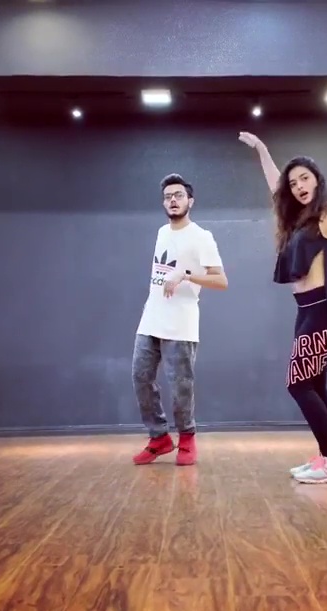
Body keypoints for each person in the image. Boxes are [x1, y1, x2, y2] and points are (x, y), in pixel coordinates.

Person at [238, 132, 327, 484]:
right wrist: (262, 149)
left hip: (323, 309)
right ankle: (326, 457)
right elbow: (276, 186)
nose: (299, 186)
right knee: (315, 384)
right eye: (294, 182)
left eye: (305, 178)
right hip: (306, 310)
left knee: (298, 384)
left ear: (317, 180)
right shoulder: (299, 217)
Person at [131, 173, 228, 466]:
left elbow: (221, 280)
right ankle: (159, 437)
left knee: (180, 385)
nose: (173, 200)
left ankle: (187, 438)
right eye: (168, 196)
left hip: (181, 323)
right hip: (151, 319)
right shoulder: (162, 232)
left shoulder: (201, 237)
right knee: (140, 376)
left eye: (178, 195)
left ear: (190, 201)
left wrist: (186, 275)